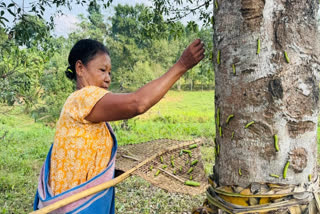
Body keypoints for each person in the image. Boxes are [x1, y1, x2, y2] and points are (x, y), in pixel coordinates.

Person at [34, 38, 205, 213]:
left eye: (109, 73)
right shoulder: (83, 97)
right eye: (102, 70)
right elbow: (137, 103)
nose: (107, 79)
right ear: (80, 68)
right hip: (74, 205)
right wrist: (182, 64)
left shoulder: (85, 107)